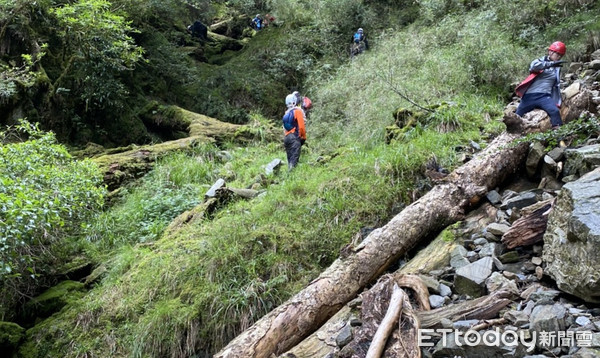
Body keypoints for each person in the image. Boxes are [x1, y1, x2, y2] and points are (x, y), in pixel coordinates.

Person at [514, 41, 567, 129]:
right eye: (557, 54)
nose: (558, 57)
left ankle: (559, 139)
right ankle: (509, 138)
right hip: (529, 96)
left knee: (554, 111)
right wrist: (550, 64)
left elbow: (555, 84)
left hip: (544, 96)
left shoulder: (557, 68)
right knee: (516, 116)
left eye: (560, 55)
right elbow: (533, 67)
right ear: (550, 52)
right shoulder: (541, 61)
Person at [282, 94, 306, 170]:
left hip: (286, 138)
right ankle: (292, 175)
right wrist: (303, 137)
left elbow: (284, 128)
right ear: (294, 102)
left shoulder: (286, 114)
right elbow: (301, 127)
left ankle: (289, 175)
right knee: (294, 159)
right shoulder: (297, 112)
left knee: (290, 159)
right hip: (294, 137)